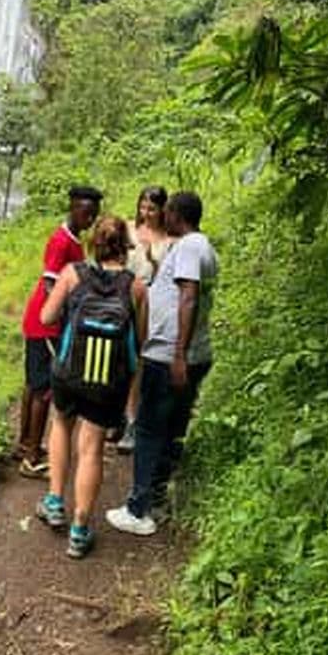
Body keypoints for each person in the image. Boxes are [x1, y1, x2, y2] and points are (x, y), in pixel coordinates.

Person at [36, 216, 148, 558]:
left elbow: (46, 318)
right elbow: (139, 343)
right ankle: (80, 529)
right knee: (91, 448)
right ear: (125, 247)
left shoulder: (72, 274)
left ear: (94, 245)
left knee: (61, 425)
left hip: (69, 374)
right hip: (106, 382)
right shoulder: (136, 287)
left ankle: (55, 502)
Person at [107, 191, 218, 536]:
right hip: (186, 353)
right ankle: (155, 498)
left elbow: (188, 297)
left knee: (151, 428)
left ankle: (138, 508)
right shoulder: (205, 247)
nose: (163, 218)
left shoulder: (187, 247)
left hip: (170, 354)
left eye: (166, 211)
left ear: (175, 214)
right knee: (171, 429)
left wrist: (178, 355)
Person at [16, 185, 103, 478]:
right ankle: (31, 457)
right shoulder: (61, 241)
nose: (89, 219)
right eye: (85, 212)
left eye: (94, 215)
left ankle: (25, 443)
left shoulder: (72, 239)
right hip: (46, 324)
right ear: (72, 208)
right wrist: (68, 315)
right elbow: (51, 283)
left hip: (37, 321)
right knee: (44, 391)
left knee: (32, 385)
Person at [117, 186, 173, 454]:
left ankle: (132, 419)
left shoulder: (169, 240)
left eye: (152, 209)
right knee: (116, 355)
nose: (146, 213)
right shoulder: (127, 230)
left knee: (139, 358)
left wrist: (153, 260)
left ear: (163, 210)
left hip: (152, 302)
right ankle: (113, 414)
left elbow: (170, 277)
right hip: (121, 297)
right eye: (143, 207)